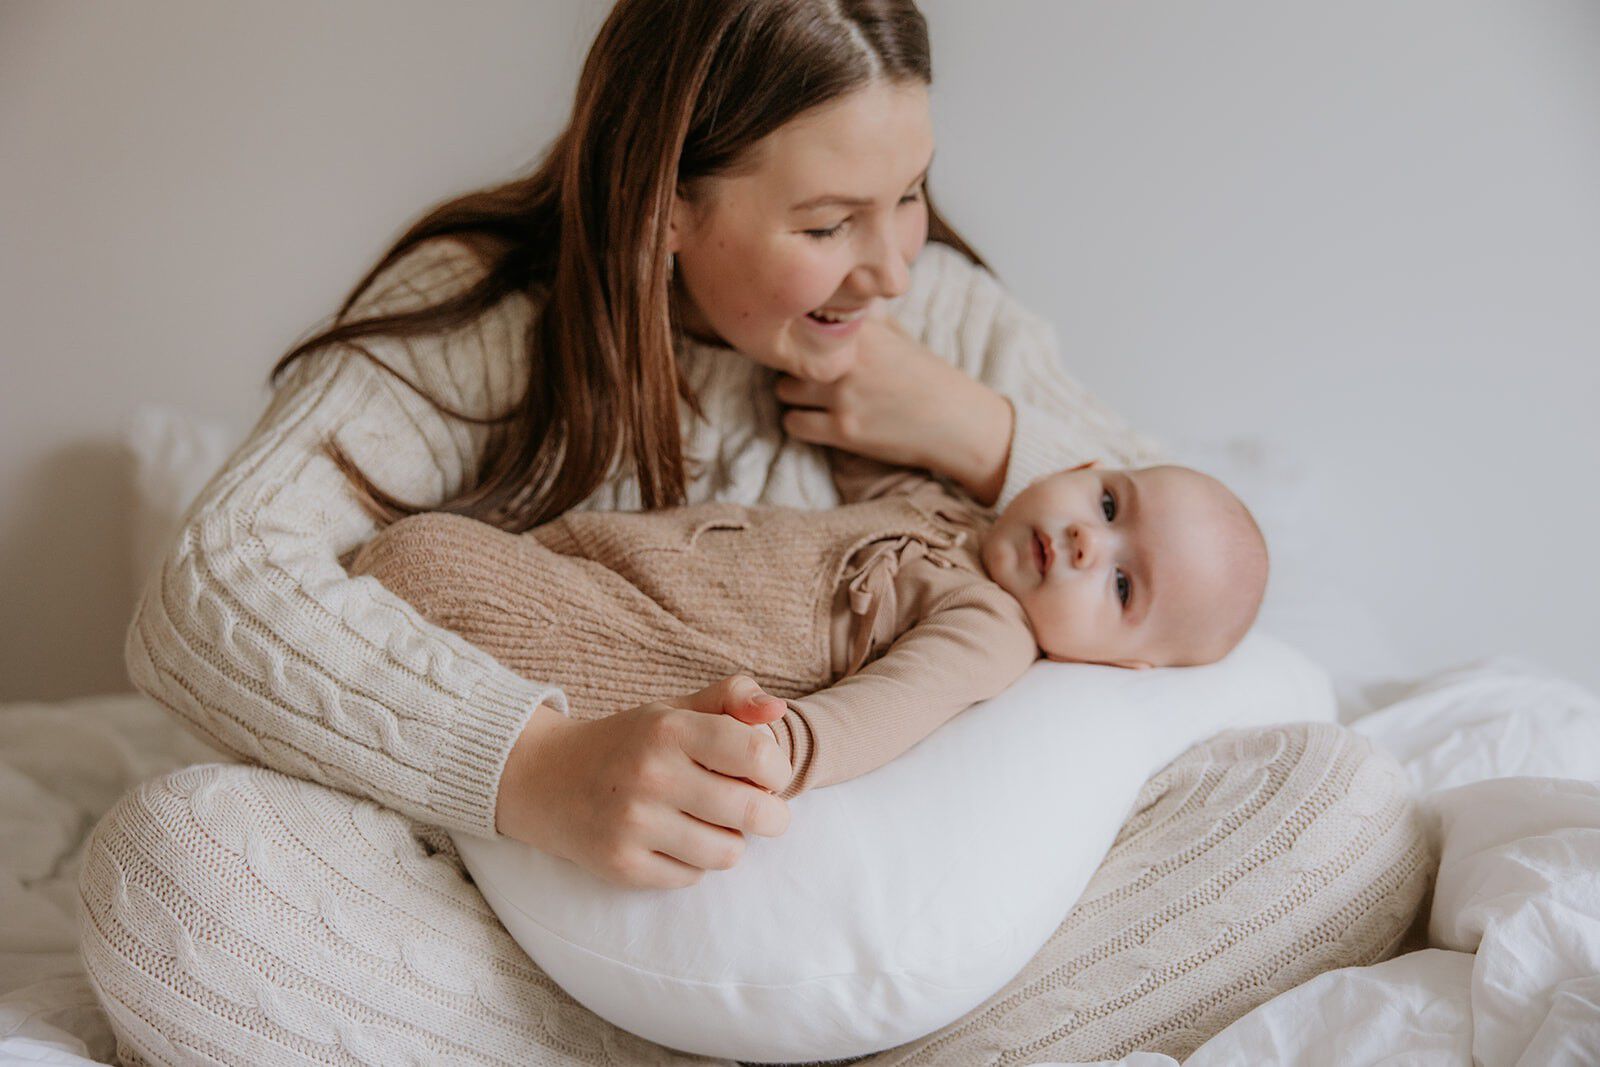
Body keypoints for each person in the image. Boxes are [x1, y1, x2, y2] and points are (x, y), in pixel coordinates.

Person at [79, 1, 1429, 1063]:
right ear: (665, 197)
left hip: (924, 963)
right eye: (829, 221)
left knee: (1353, 817)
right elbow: (211, 586)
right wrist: (530, 764)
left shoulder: (943, 323)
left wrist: (976, 429)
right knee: (178, 870)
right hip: (538, 944)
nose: (893, 263)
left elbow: (1193, 567)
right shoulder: (489, 320)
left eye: (910, 194)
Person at [349, 454, 1270, 802]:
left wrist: (798, 743)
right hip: (624, 554)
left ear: (1126, 661)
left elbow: (898, 704)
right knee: (450, 552)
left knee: (422, 562)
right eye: (1108, 501)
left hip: (653, 638)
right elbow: (854, 444)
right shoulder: (948, 504)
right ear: (1078, 464)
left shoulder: (990, 627)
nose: (1082, 537)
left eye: (1118, 581)